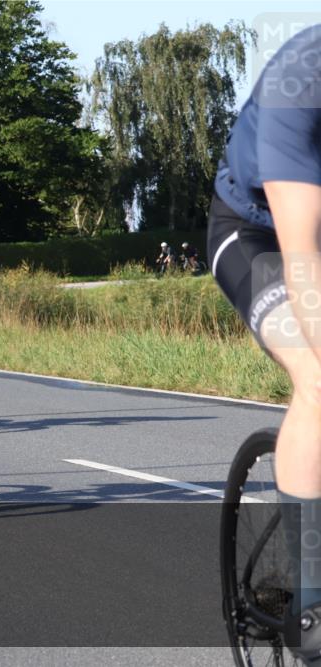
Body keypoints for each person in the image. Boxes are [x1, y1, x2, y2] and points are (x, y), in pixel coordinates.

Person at [207, 24, 321, 662]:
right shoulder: (299, 83)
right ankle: (312, 600)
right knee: (317, 376)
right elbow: (302, 258)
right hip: (258, 238)